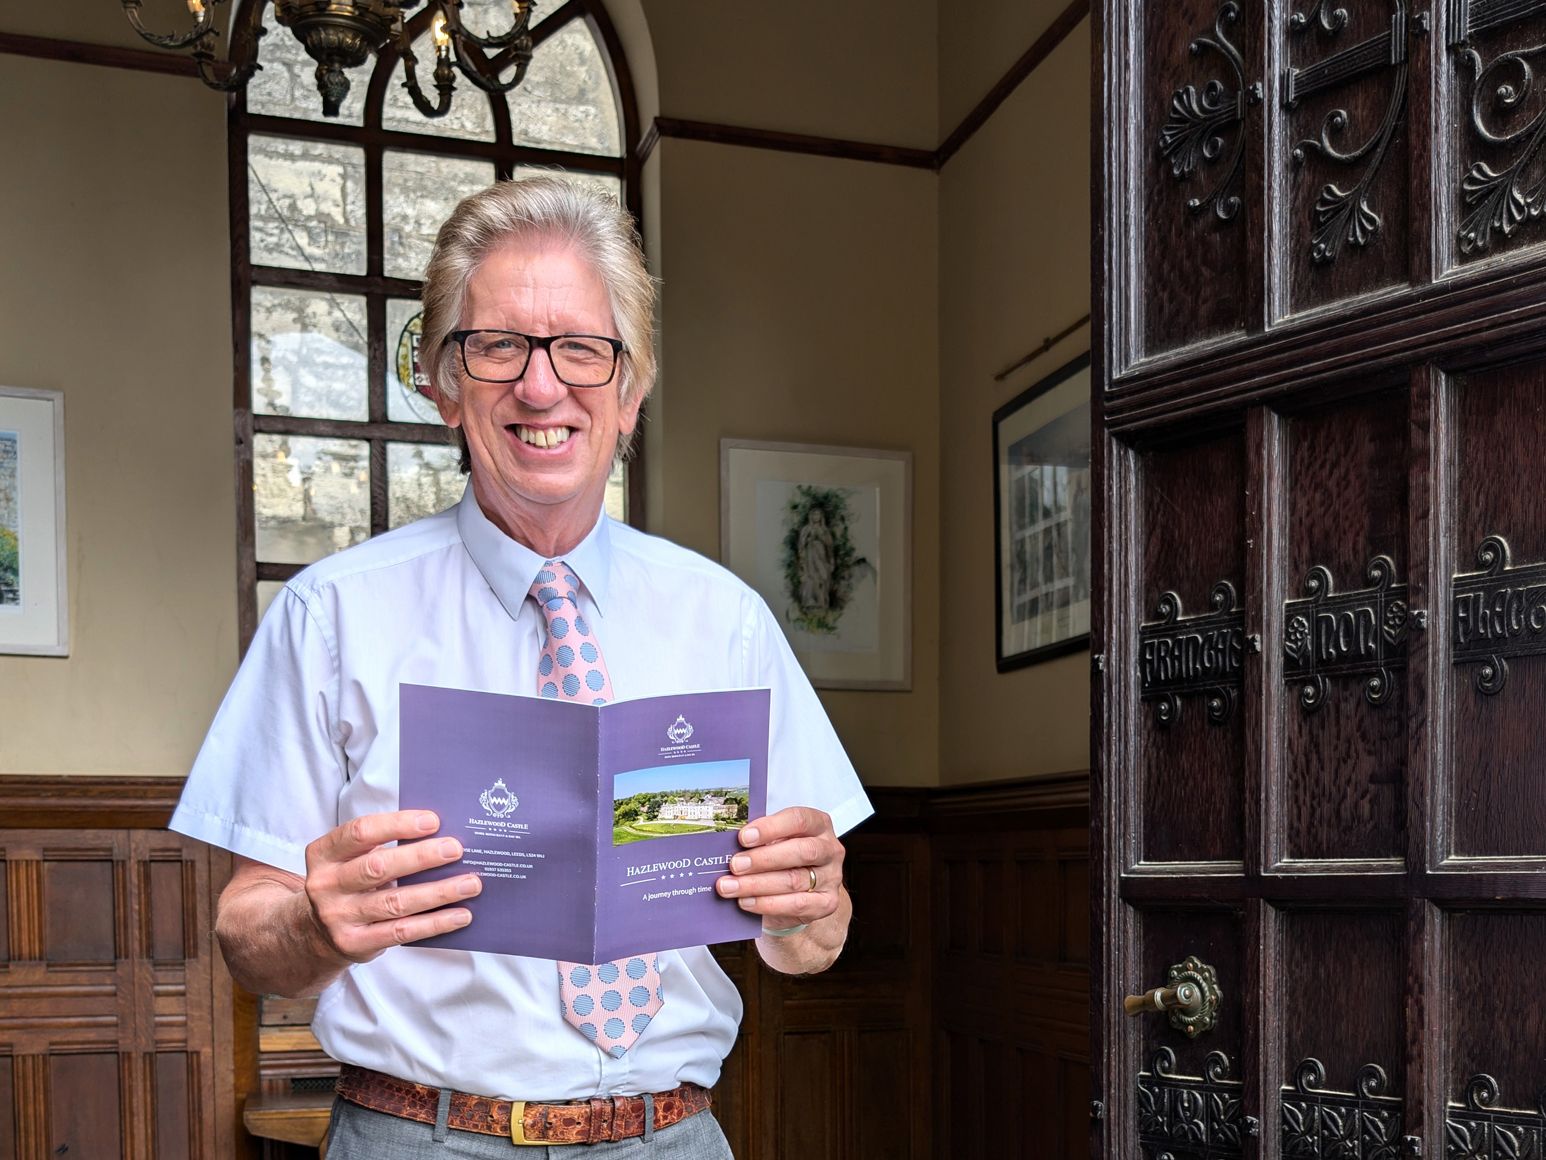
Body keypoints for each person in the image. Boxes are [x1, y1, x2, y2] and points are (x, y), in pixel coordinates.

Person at [170, 176, 871, 1158]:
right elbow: (247, 935)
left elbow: (807, 942)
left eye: (582, 349)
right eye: (498, 345)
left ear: (630, 391)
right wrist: (315, 922)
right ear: (446, 382)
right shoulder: (328, 615)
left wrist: (815, 906)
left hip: (670, 1136)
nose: (541, 387)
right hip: (418, 1135)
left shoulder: (728, 621)